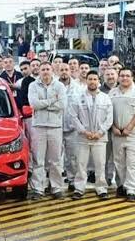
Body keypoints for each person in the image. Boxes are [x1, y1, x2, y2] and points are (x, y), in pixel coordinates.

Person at [69, 71, 113, 200]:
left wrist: (100, 132)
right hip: (83, 137)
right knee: (81, 164)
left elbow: (109, 118)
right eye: (90, 79)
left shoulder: (105, 98)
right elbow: (73, 117)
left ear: (98, 81)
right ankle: (79, 189)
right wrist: (84, 131)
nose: (92, 81)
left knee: (100, 164)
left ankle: (101, 188)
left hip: (100, 137)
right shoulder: (78, 97)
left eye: (95, 79)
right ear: (86, 81)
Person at [27, 62, 67, 200]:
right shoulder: (33, 86)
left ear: (52, 70)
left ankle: (56, 188)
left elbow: (62, 104)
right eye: (43, 69)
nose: (45, 71)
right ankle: (38, 188)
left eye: (47, 69)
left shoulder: (59, 86)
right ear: (39, 71)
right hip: (38, 126)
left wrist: (43, 104)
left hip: (55, 126)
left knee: (55, 160)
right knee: (38, 159)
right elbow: (34, 104)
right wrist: (51, 100)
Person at [108, 68, 135, 202]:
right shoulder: (112, 93)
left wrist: (129, 127)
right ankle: (122, 185)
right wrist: (113, 127)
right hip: (117, 134)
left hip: (133, 134)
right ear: (118, 77)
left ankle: (131, 190)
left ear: (132, 78)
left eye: (127, 76)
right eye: (122, 76)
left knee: (132, 162)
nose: (124, 78)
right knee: (119, 162)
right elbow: (108, 112)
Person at [58, 63, 82, 191]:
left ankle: (72, 180)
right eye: (61, 70)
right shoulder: (53, 86)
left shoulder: (78, 88)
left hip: (73, 128)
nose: (64, 72)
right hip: (56, 126)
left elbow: (81, 108)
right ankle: (54, 182)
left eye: (66, 69)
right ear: (58, 71)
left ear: (70, 71)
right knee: (55, 158)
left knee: (73, 156)